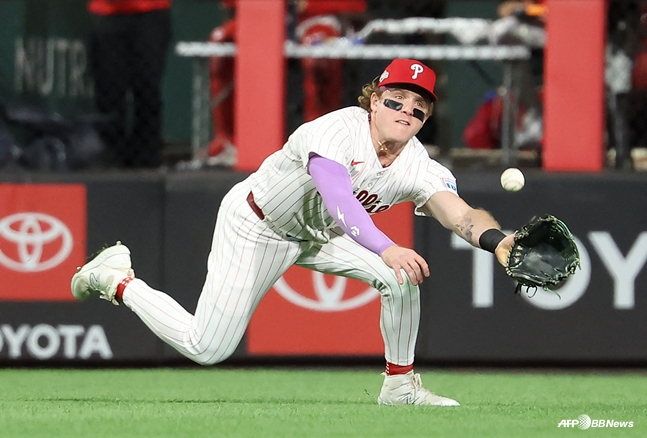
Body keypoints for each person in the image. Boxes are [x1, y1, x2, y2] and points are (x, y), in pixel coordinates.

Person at [71, 59, 515, 406]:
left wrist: (499, 242)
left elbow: (459, 215)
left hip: (317, 234)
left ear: (426, 116)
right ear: (374, 101)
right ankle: (116, 279)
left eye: (418, 106)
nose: (407, 111)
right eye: (396, 100)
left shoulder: (417, 163)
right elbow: (340, 201)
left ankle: (399, 387)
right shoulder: (337, 130)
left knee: (400, 278)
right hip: (258, 224)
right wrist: (385, 247)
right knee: (205, 347)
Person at [88, 0, 172, 168]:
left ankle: (147, 158)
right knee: (109, 90)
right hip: (107, 13)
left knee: (147, 88)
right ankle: (111, 154)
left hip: (151, 12)